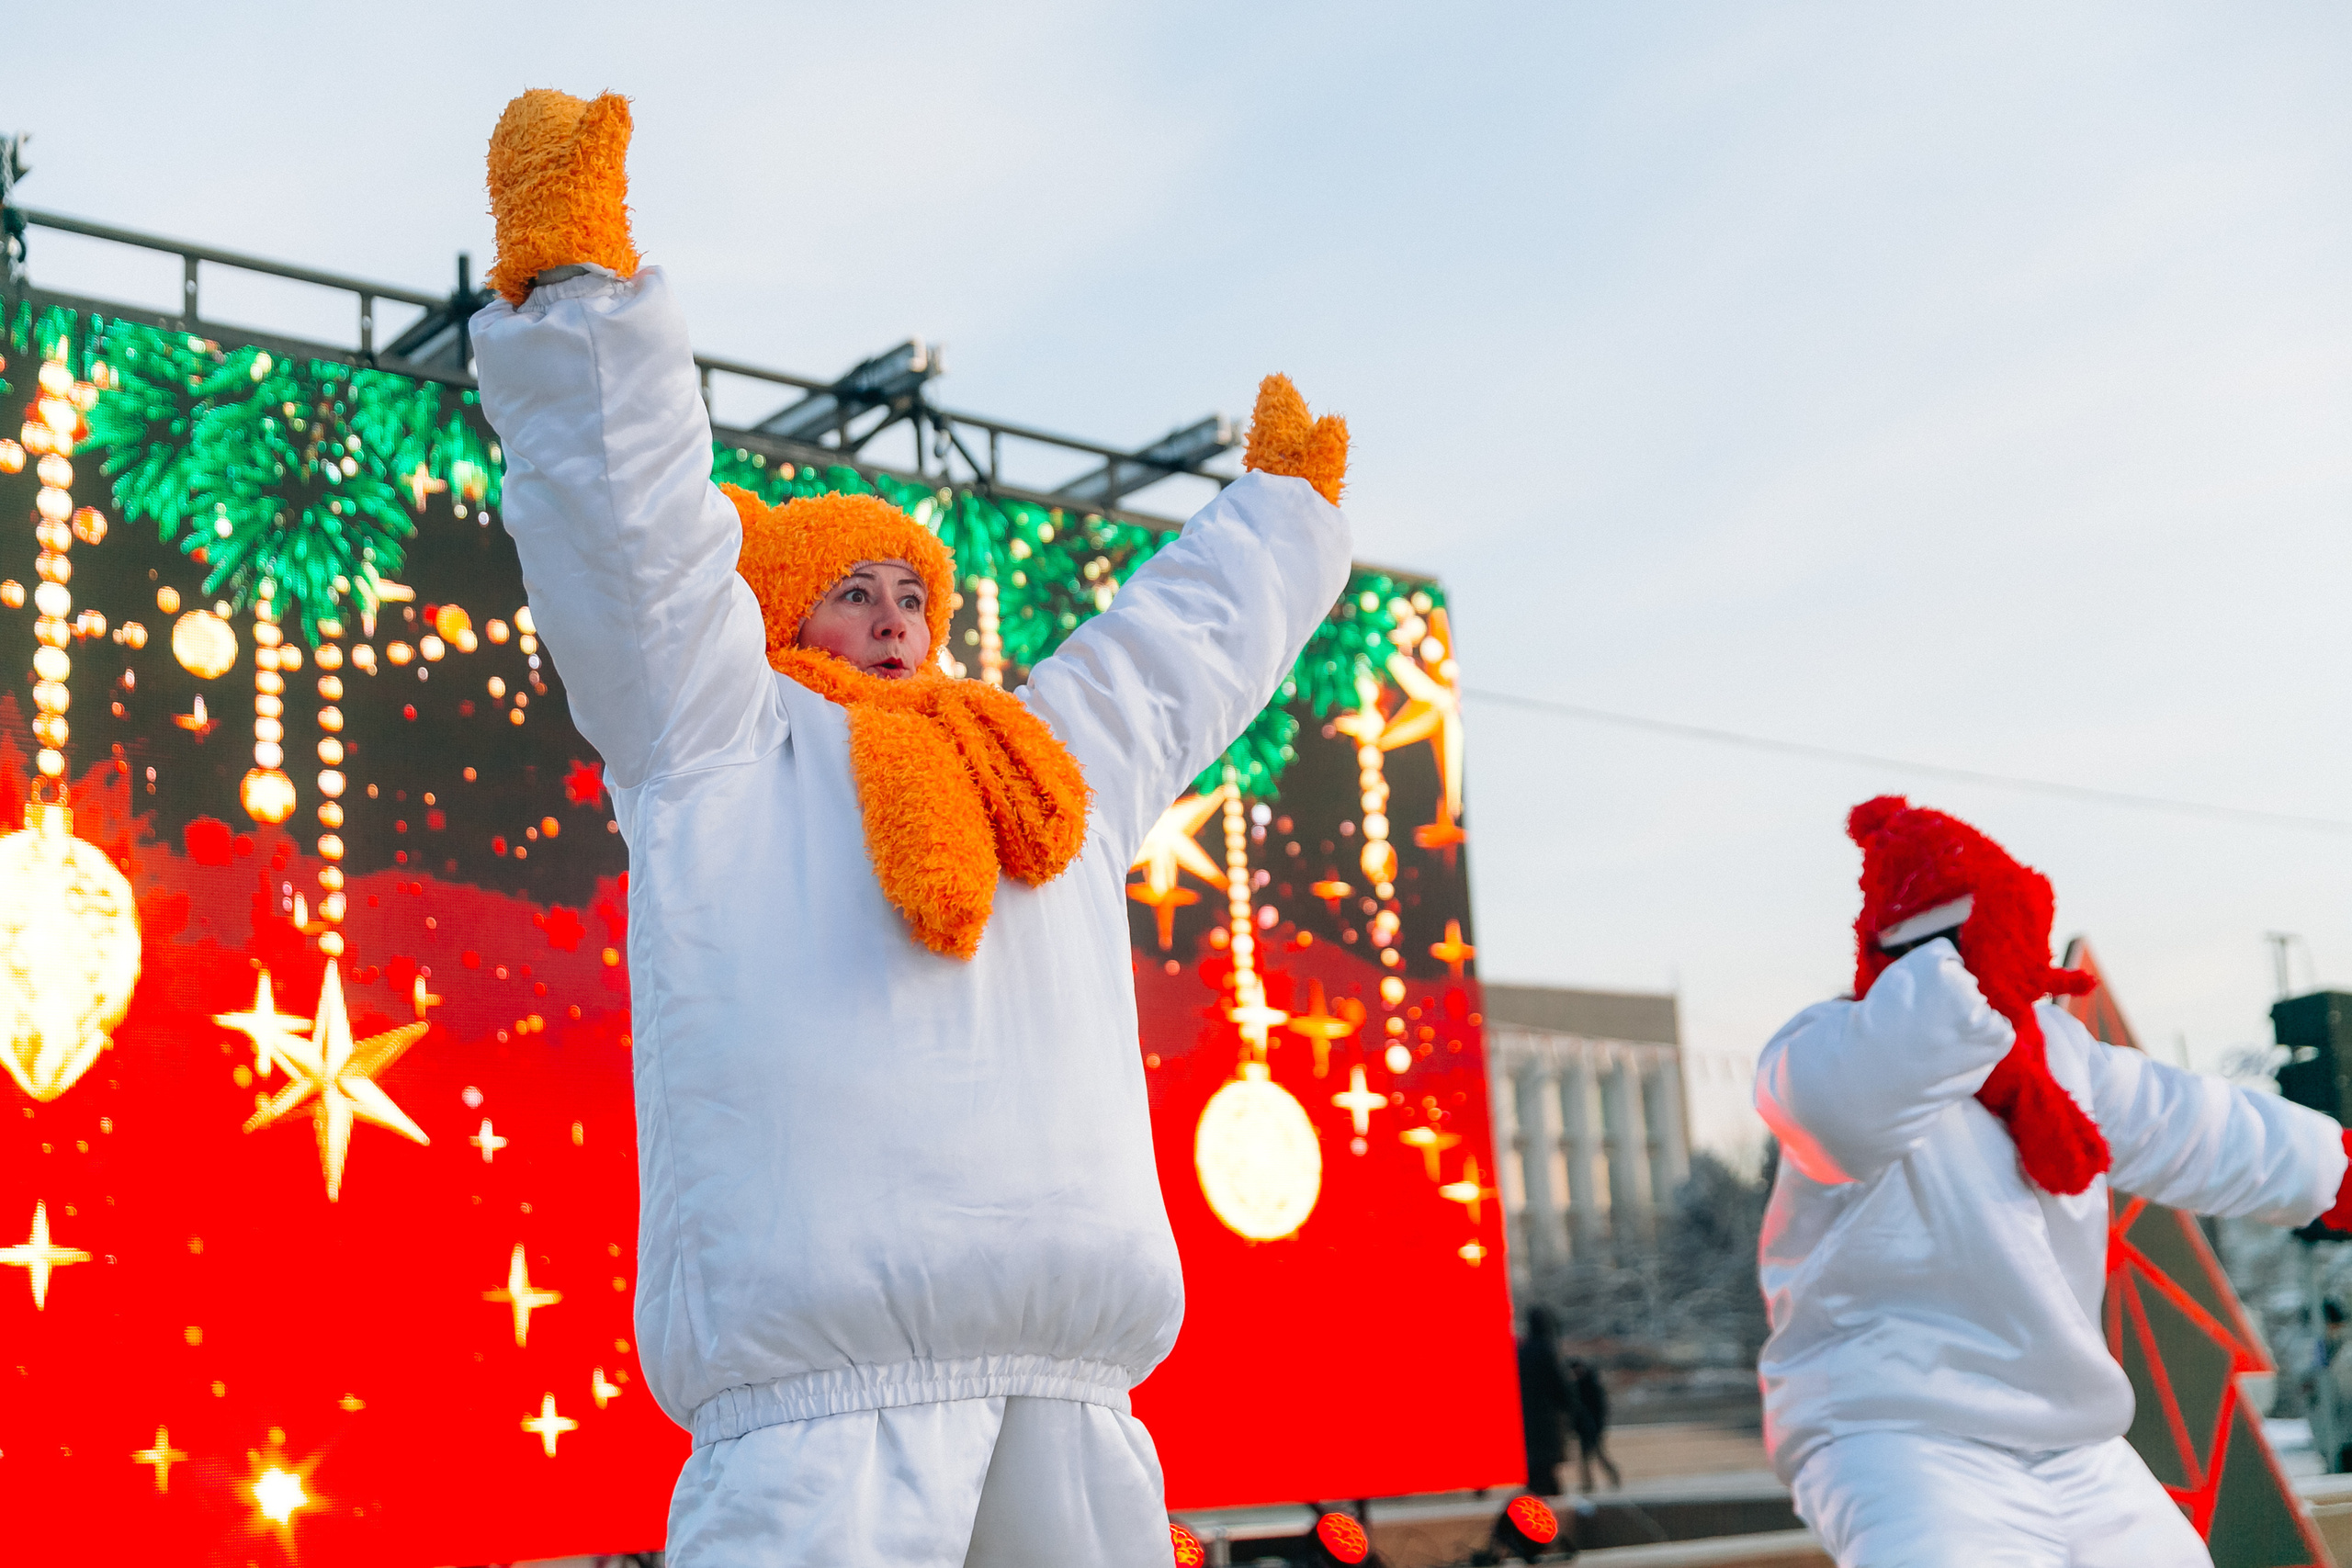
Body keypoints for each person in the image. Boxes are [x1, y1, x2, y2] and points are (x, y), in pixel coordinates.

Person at [469, 89, 1353, 1567]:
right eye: (854, 589)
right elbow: (631, 533)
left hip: (1069, 1365)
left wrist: (1282, 523)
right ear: (773, 615)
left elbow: (1170, 664)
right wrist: (578, 295)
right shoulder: (720, 729)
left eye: (915, 595)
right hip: (828, 1392)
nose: (894, 616)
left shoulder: (1033, 768)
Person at [1754, 796, 2352, 1568]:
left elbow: (2196, 1123)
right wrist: (1958, 980)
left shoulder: (2061, 1060)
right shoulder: (1830, 1050)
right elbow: (1848, 1104)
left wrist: (2334, 1171)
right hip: (1896, 1432)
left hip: (2072, 1438)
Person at [1515, 1306, 1574, 1496]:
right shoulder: (1546, 1351)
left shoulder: (1522, 1352)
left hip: (1526, 1419)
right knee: (1547, 1470)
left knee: (1536, 1471)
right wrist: (1571, 1406)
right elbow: (1558, 1386)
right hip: (1546, 1419)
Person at [1566, 1358, 1621, 1492]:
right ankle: (1593, 1482)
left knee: (1595, 1456)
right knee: (1592, 1456)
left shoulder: (1587, 1386)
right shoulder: (1583, 1385)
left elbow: (1597, 1409)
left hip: (1592, 1428)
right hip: (1587, 1428)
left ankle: (1596, 1482)